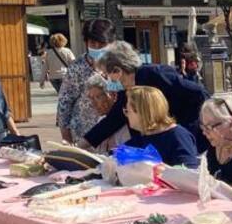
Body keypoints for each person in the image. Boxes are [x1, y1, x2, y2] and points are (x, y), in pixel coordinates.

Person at [82, 41, 211, 152]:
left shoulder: (155, 74)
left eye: (107, 74)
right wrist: (81, 145)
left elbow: (198, 93)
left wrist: (184, 130)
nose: (107, 79)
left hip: (182, 138)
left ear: (117, 70)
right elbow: (113, 120)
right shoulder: (126, 89)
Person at [57, 18, 115, 144]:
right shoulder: (77, 68)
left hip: (114, 133)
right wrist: (66, 136)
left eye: (102, 44)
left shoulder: (119, 66)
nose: (97, 48)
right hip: (84, 134)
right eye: (93, 44)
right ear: (86, 43)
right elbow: (64, 103)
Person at [123, 86, 200, 168]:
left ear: (142, 112)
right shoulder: (142, 137)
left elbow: (189, 172)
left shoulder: (178, 136)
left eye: (127, 111)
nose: (126, 115)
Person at [82, 74, 130, 153]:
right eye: (91, 98)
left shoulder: (125, 124)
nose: (93, 103)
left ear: (112, 95)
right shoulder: (101, 120)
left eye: (97, 97)